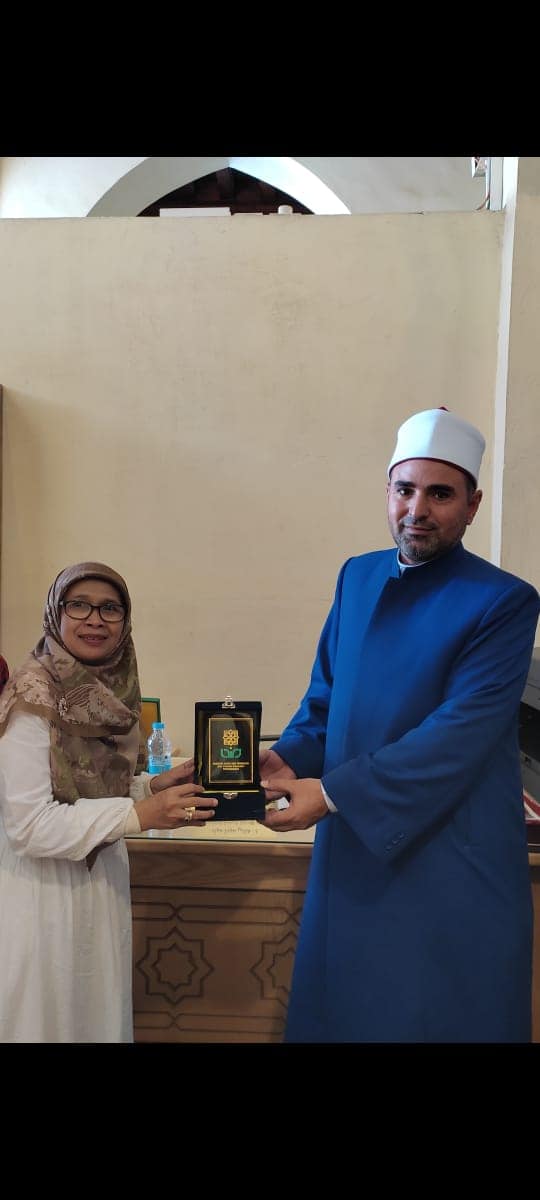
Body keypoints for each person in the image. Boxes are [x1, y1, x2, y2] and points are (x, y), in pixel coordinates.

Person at [261, 408, 540, 1043]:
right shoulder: (357, 576)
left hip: (451, 860)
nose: (417, 509)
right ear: (387, 491)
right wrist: (289, 757)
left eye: (440, 494)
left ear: (471, 505)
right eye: (404, 489)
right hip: (355, 848)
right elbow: (326, 699)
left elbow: (457, 735)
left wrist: (330, 792)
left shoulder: (504, 601)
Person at [0, 561, 216, 1043]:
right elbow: (29, 826)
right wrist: (139, 814)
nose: (95, 620)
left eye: (110, 608)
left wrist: (150, 788)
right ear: (56, 613)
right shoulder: (33, 695)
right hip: (41, 892)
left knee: (93, 1014)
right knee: (48, 1019)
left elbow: (93, 786)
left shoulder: (113, 688)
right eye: (78, 605)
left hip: (99, 881)